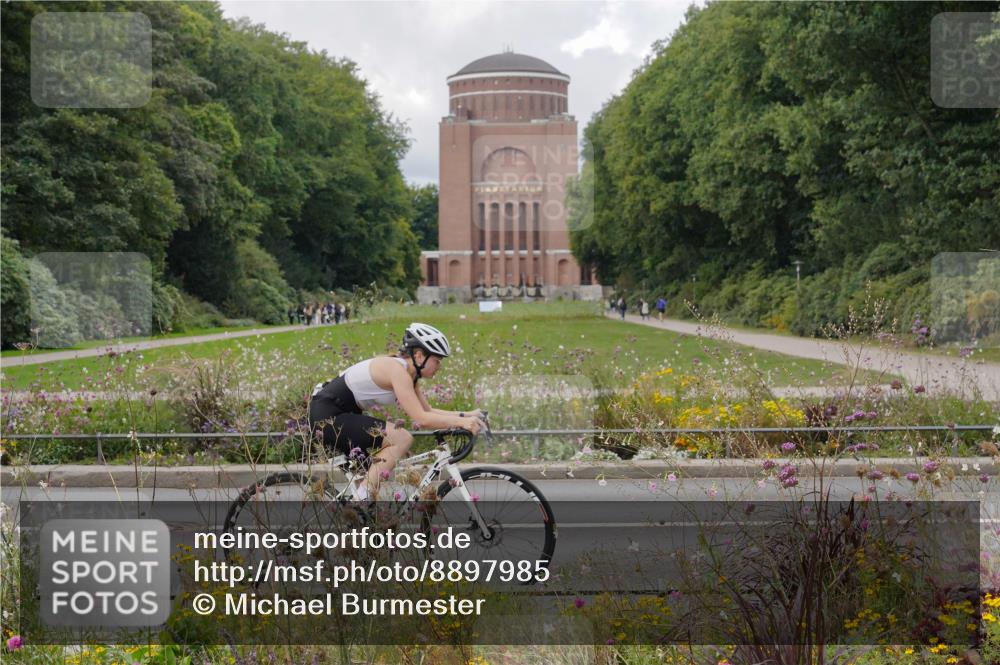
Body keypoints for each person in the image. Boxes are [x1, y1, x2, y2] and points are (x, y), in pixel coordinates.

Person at [308, 323, 484, 500]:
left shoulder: (409, 376)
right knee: (401, 438)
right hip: (328, 416)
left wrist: (467, 415)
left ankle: (361, 511)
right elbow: (422, 419)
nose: (439, 366)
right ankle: (362, 498)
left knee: (370, 473)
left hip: (342, 414)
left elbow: (427, 410)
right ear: (419, 355)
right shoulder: (397, 371)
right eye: (437, 360)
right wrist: (462, 423)